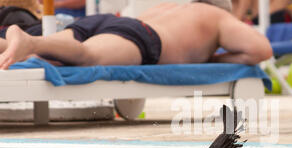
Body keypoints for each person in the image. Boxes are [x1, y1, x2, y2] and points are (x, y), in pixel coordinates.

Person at [0, 0, 273, 70]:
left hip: (111, 23)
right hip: (141, 36)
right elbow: (261, 50)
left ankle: (11, 43)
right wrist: (213, 61)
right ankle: (28, 40)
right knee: (88, 57)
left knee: (57, 51)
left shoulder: (173, 8)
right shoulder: (217, 16)